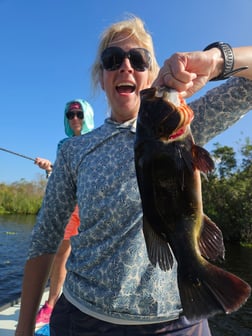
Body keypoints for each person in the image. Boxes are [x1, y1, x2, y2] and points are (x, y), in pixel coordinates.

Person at [15, 15, 252, 336]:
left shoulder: (186, 125)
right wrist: (23, 328)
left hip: (176, 322)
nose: (126, 66)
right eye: (112, 59)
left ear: (153, 74)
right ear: (101, 76)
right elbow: (44, 240)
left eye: (139, 59)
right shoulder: (74, 151)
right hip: (83, 319)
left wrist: (216, 60)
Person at [33, 99, 94, 328]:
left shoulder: (95, 141)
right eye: (70, 115)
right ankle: (50, 304)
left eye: (79, 114)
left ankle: (81, 304)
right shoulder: (63, 145)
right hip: (71, 207)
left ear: (87, 116)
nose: (75, 119)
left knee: (88, 256)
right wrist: (49, 168)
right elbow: (61, 179)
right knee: (61, 255)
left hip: (90, 207)